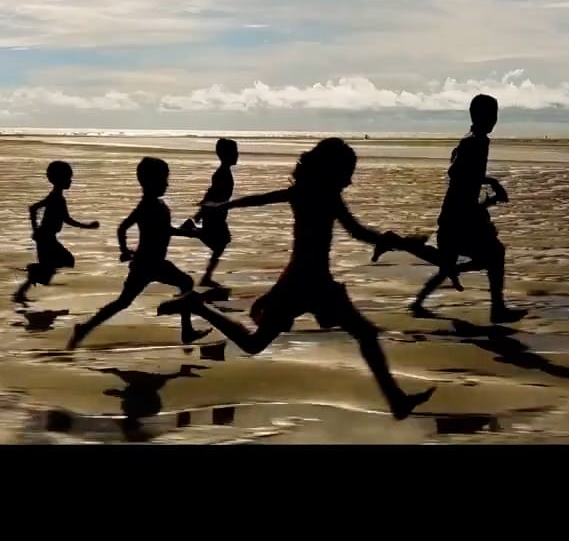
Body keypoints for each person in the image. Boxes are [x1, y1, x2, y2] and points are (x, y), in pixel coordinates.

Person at [157, 138, 436, 420]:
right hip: (306, 283)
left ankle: (397, 400)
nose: (350, 181)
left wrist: (222, 206)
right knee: (263, 343)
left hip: (311, 280)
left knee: (356, 335)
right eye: (347, 173)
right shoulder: (322, 195)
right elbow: (356, 232)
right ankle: (197, 305)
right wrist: (399, 242)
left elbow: (265, 200)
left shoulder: (311, 192)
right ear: (332, 170)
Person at [66, 157, 206, 350]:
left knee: (124, 301)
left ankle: (85, 328)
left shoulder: (156, 204)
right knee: (183, 284)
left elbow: (162, 229)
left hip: (151, 263)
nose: (166, 184)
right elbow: (123, 228)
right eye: (163, 180)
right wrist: (124, 250)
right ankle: (187, 331)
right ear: (148, 182)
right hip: (148, 264)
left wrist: (188, 233)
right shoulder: (148, 205)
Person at [409, 93, 525, 323]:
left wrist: (487, 192)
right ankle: (497, 309)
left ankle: (418, 301)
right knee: (492, 254)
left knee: (454, 260)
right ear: (478, 116)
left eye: (495, 115)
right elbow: (458, 174)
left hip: (460, 213)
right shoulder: (474, 142)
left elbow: (465, 178)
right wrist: (489, 185)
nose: (494, 120)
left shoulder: (476, 140)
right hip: (458, 216)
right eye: (491, 115)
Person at [13, 161, 98, 306]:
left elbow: (37, 210)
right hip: (46, 238)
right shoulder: (56, 198)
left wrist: (36, 231)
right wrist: (36, 230)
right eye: (68, 178)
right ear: (59, 180)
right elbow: (36, 209)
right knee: (64, 261)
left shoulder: (56, 196)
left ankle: (24, 288)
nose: (70, 181)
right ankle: (29, 278)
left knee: (57, 264)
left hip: (47, 237)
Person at [185, 138, 239, 289]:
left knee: (220, 243)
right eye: (234, 153)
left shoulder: (224, 173)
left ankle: (207, 276)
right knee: (220, 242)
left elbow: (210, 193)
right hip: (214, 213)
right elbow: (212, 194)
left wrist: (200, 212)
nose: (237, 155)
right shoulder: (222, 174)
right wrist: (201, 212)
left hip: (217, 213)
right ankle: (193, 232)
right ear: (225, 155)